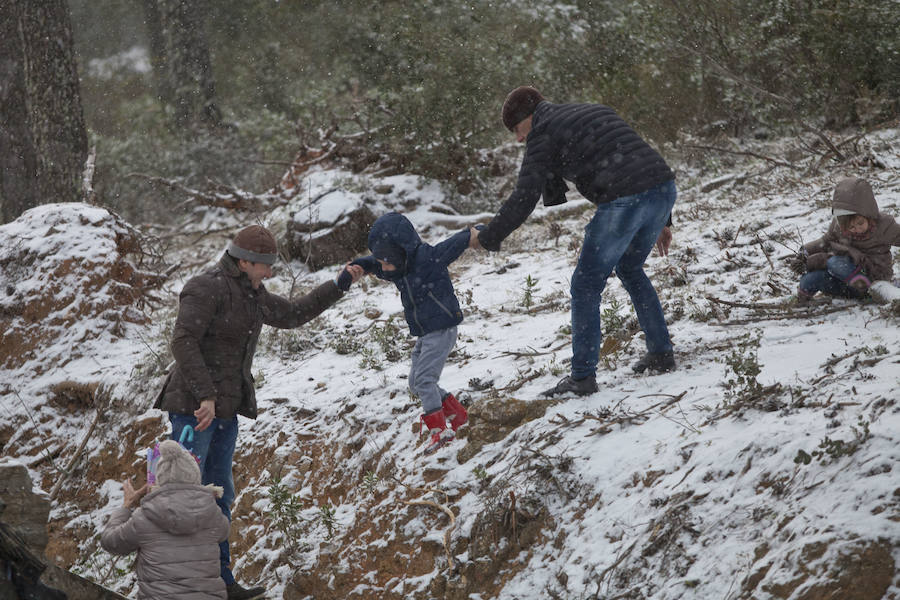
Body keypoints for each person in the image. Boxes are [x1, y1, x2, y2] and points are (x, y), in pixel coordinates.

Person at [153, 224, 363, 600]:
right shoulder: (206, 286)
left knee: (219, 499)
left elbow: (296, 313)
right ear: (245, 261)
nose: (270, 273)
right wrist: (205, 396)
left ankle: (220, 583)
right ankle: (174, 586)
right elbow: (183, 341)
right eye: (265, 266)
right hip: (192, 411)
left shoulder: (253, 294)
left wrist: (341, 282)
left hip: (226, 413)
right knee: (181, 497)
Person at [472, 86, 677, 397]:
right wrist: (662, 216)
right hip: (663, 188)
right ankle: (661, 353)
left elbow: (524, 197)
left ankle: (581, 378)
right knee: (631, 269)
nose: (517, 139)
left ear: (528, 118)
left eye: (516, 129)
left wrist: (488, 237)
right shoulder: (593, 109)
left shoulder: (543, 134)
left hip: (625, 199)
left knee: (585, 285)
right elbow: (641, 156)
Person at [351, 212, 477, 454]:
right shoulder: (399, 268)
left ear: (401, 253)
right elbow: (375, 263)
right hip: (427, 334)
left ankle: (439, 431)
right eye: (382, 263)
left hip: (441, 330)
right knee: (415, 383)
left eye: (387, 262)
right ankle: (458, 416)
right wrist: (359, 265)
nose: (384, 269)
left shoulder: (428, 258)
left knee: (425, 381)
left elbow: (453, 244)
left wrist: (473, 233)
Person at [101, 440, 230, 599]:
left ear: (159, 479)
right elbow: (224, 531)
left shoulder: (146, 516)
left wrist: (126, 506)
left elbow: (110, 541)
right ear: (195, 475)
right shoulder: (213, 515)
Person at [797, 176, 900, 301]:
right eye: (850, 227)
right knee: (811, 278)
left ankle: (867, 287)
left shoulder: (883, 225)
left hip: (874, 279)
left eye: (860, 223)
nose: (856, 229)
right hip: (846, 283)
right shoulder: (838, 227)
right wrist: (805, 252)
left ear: (869, 213)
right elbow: (826, 241)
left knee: (834, 262)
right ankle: (802, 301)